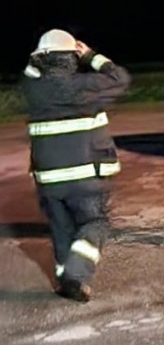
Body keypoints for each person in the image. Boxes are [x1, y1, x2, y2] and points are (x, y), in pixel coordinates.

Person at [22, 29, 131, 302]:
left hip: (48, 179)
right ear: (72, 57)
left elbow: (31, 72)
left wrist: (40, 59)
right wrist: (91, 56)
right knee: (95, 223)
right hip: (85, 176)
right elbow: (120, 78)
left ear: (40, 59)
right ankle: (76, 275)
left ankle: (64, 280)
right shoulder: (86, 86)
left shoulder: (34, 89)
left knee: (61, 228)